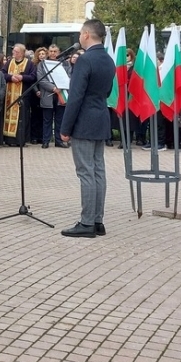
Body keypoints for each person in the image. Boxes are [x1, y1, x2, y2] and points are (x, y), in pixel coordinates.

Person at [59, 20, 116, 238]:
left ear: (86, 35)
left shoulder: (85, 60)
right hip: (101, 118)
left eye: (81, 33)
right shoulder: (108, 60)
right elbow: (108, 91)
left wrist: (65, 127)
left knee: (85, 173)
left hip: (83, 122)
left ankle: (86, 223)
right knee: (98, 171)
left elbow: (75, 97)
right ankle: (97, 221)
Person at [37, 44, 70, 148]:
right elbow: (41, 79)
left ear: (59, 52)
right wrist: (53, 88)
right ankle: (46, 140)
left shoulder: (65, 63)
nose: (53, 53)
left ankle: (59, 141)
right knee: (47, 119)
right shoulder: (42, 64)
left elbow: (69, 76)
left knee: (60, 119)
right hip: (48, 94)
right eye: (51, 51)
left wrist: (60, 86)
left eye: (55, 51)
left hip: (61, 94)